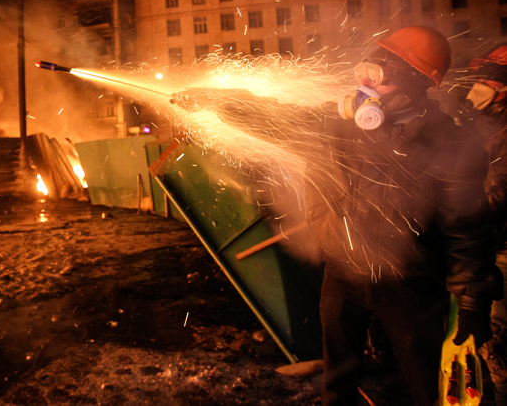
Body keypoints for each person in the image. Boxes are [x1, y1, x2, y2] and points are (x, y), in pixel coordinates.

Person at [174, 26, 501, 405]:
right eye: (365, 69)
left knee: (428, 384)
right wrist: (214, 101)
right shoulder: (340, 125)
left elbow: (466, 227)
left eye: (377, 75)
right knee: (337, 383)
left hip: (408, 283)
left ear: (414, 82)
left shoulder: (449, 143)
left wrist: (473, 301)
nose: (364, 82)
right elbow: (272, 116)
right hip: (342, 274)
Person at [456, 44, 507, 405]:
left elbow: (499, 193)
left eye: (490, 78)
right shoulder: (481, 123)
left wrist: (455, 213)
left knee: (496, 340)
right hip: (483, 241)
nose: (479, 85)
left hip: (502, 248)